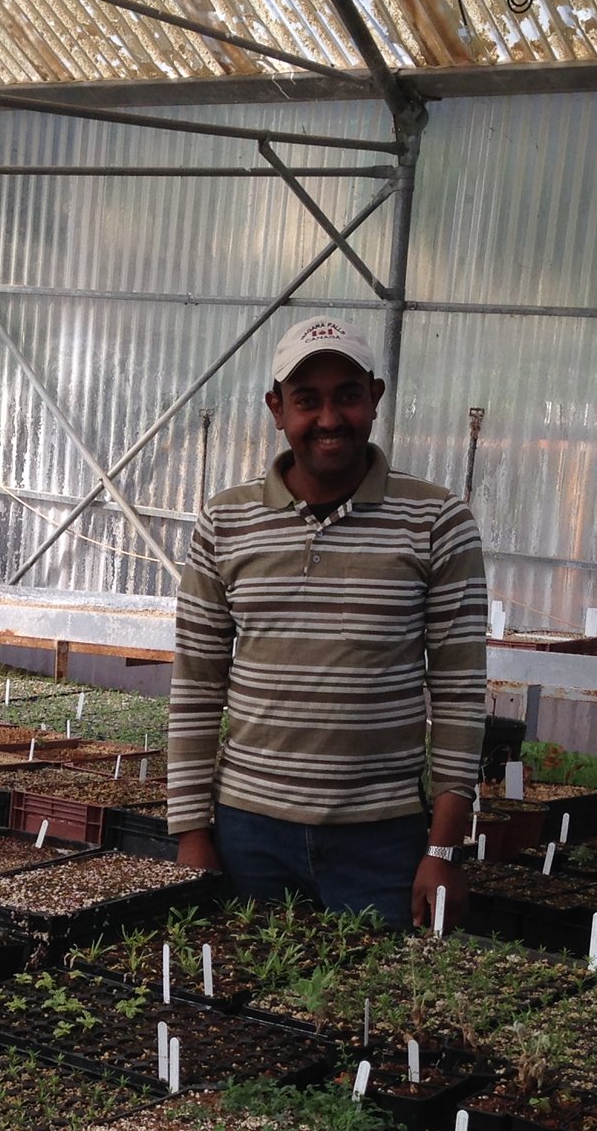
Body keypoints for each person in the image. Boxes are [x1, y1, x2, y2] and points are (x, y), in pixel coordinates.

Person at [167, 317, 488, 928]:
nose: (329, 418)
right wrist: (192, 834)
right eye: (307, 400)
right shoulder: (225, 522)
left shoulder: (436, 520)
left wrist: (442, 850)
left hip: (382, 839)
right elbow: (196, 685)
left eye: (347, 395)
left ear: (375, 398)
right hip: (249, 833)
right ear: (277, 409)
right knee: (246, 1008)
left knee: (373, 1015)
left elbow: (459, 694)